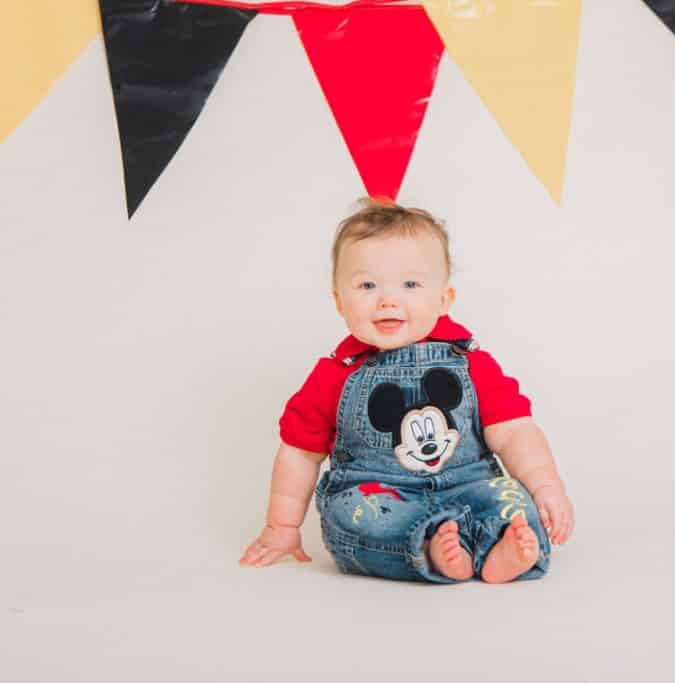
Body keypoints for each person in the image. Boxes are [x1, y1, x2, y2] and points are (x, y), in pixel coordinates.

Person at [239, 198, 574, 583]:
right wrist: (282, 526)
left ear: (443, 299)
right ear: (338, 301)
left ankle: (502, 550)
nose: (388, 299)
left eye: (411, 284)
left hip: (469, 484)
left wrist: (546, 485)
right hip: (379, 494)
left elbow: (514, 431)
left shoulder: (470, 362)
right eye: (367, 285)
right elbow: (299, 453)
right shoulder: (335, 374)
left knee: (511, 499)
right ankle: (430, 549)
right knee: (350, 514)